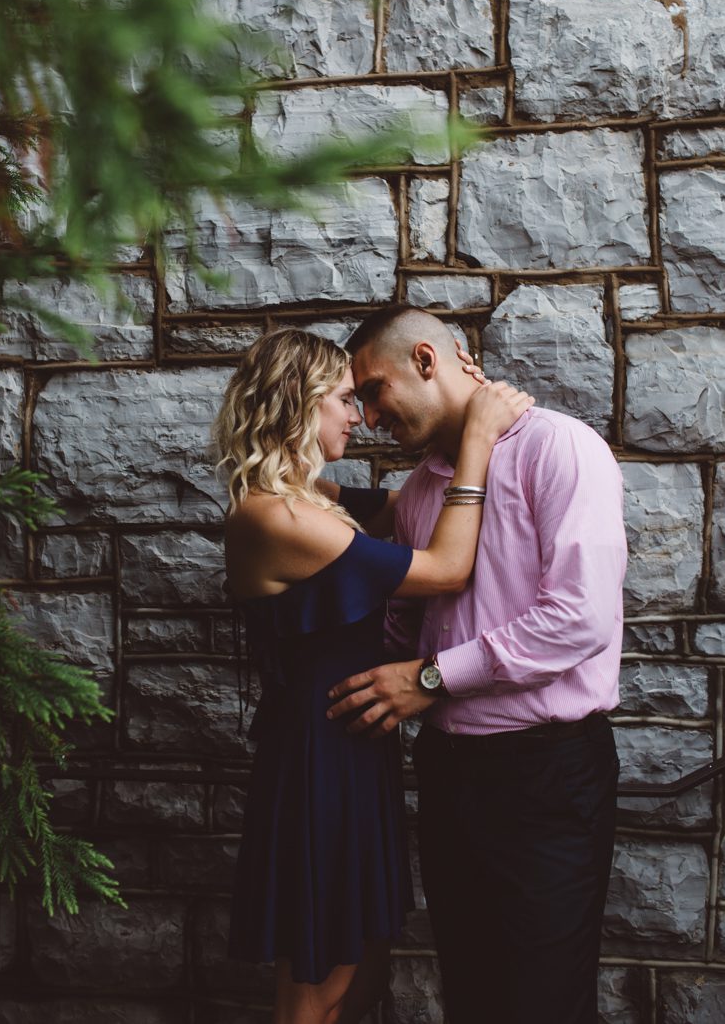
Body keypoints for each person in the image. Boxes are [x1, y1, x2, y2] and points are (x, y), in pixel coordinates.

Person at [214, 327, 532, 1024]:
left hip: (348, 744)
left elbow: (409, 505)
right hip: (317, 758)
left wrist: (453, 408)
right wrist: (476, 437)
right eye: (341, 399)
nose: (356, 415)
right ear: (297, 403)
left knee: (356, 974)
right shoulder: (277, 517)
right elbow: (446, 565)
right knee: (317, 985)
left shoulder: (312, 497)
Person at [328, 305, 627, 1024]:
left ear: (426, 361)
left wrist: (430, 679)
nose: (367, 419)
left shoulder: (560, 447)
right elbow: (408, 625)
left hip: (546, 776)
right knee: (472, 993)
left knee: (542, 1002)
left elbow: (578, 618)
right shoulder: (424, 492)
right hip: (448, 773)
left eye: (372, 391)